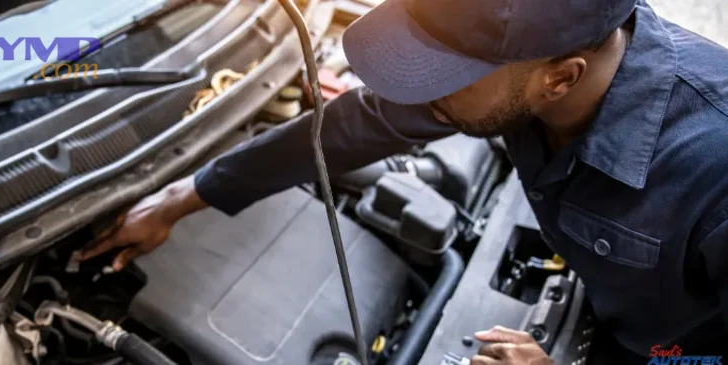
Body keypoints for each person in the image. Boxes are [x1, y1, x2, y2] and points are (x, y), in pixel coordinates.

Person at [79, 0, 728, 362]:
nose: (419, 91)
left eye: (444, 76)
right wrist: (184, 195)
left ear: (559, 78)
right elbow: (353, 127)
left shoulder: (713, 171)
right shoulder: (526, 68)